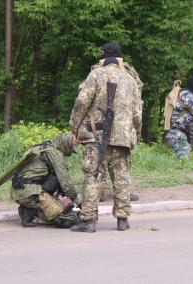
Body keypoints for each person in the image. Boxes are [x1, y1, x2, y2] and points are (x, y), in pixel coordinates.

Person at [70, 42, 142, 233]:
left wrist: (74, 128)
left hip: (97, 136)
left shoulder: (96, 74)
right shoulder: (130, 79)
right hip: (123, 138)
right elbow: (137, 113)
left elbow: (81, 103)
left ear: (102, 55)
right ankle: (123, 219)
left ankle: (88, 221)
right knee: (121, 178)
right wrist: (135, 134)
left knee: (93, 176)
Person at [91, 45, 143, 203]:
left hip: (106, 121)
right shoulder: (128, 70)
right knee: (117, 161)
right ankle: (117, 193)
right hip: (121, 122)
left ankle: (100, 192)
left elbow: (85, 95)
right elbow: (138, 93)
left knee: (102, 157)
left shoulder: (98, 70)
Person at [11, 132, 82, 228]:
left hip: (18, 191)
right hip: (32, 193)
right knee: (70, 218)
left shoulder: (40, 148)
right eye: (70, 150)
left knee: (60, 202)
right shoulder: (55, 154)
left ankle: (28, 211)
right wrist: (78, 200)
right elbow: (66, 184)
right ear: (66, 145)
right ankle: (32, 211)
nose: (69, 154)